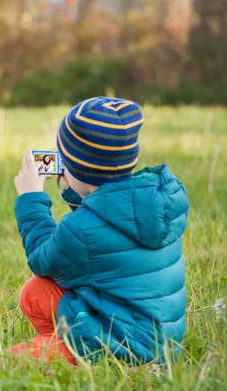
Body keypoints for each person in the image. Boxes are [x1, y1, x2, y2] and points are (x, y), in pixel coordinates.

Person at [10, 97, 188, 364]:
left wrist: (31, 198)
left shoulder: (81, 231)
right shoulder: (158, 199)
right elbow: (103, 226)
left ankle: (78, 358)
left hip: (121, 348)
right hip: (162, 338)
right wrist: (74, 190)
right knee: (34, 292)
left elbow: (40, 257)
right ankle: (67, 346)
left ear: (75, 169)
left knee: (11, 360)